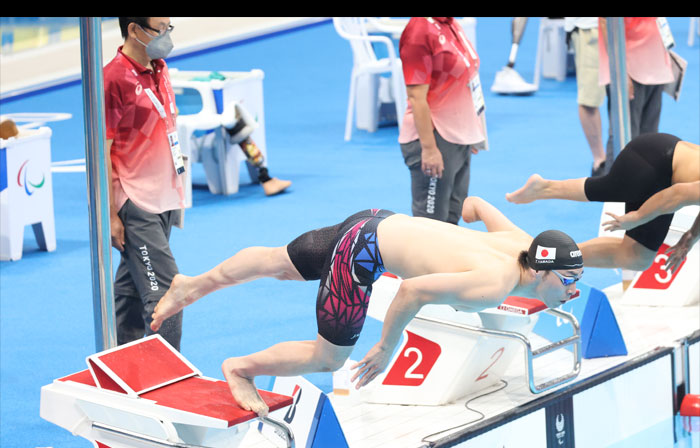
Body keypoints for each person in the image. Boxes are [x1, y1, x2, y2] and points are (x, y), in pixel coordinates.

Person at [149, 197, 583, 416]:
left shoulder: (521, 242)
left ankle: (192, 284)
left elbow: (480, 206)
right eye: (567, 281)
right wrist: (386, 347)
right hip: (362, 251)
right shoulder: (494, 283)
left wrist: (463, 218)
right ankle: (240, 369)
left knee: (279, 262)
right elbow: (411, 293)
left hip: (377, 218)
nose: (571, 291)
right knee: (328, 357)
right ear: (543, 272)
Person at [506, 133, 699, 273]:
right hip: (654, 159)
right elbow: (677, 194)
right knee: (607, 189)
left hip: (667, 169)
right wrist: (638, 217)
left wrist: (689, 238)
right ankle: (542, 188)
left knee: (638, 258)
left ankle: (554, 257)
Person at [105, 17, 186, 350]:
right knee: (168, 298)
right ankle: (168, 383)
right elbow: (102, 149)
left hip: (165, 194)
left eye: (170, 27)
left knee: (131, 287)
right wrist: (110, 214)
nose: (166, 36)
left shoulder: (160, 68)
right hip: (136, 200)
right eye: (159, 29)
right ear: (134, 30)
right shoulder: (113, 79)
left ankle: (116, 368)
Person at [398, 17, 487, 225]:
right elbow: (416, 97)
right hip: (435, 139)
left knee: (452, 218)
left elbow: (469, 78)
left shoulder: (450, 24)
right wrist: (428, 149)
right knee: (431, 226)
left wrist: (473, 129)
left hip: (459, 137)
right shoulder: (418, 32)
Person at [598, 17, 675, 172]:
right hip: (630, 69)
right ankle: (615, 193)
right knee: (624, 139)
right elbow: (606, 23)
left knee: (650, 139)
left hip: (654, 66)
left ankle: (644, 190)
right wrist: (621, 72)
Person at [603, 181, 700, 273]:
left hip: (665, 179)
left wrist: (691, 237)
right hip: (661, 175)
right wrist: (638, 216)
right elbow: (679, 192)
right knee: (638, 256)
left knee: (638, 258)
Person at [565, 17, 606, 176]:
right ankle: (600, 161)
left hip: (628, 27)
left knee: (630, 95)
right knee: (589, 99)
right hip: (590, 28)